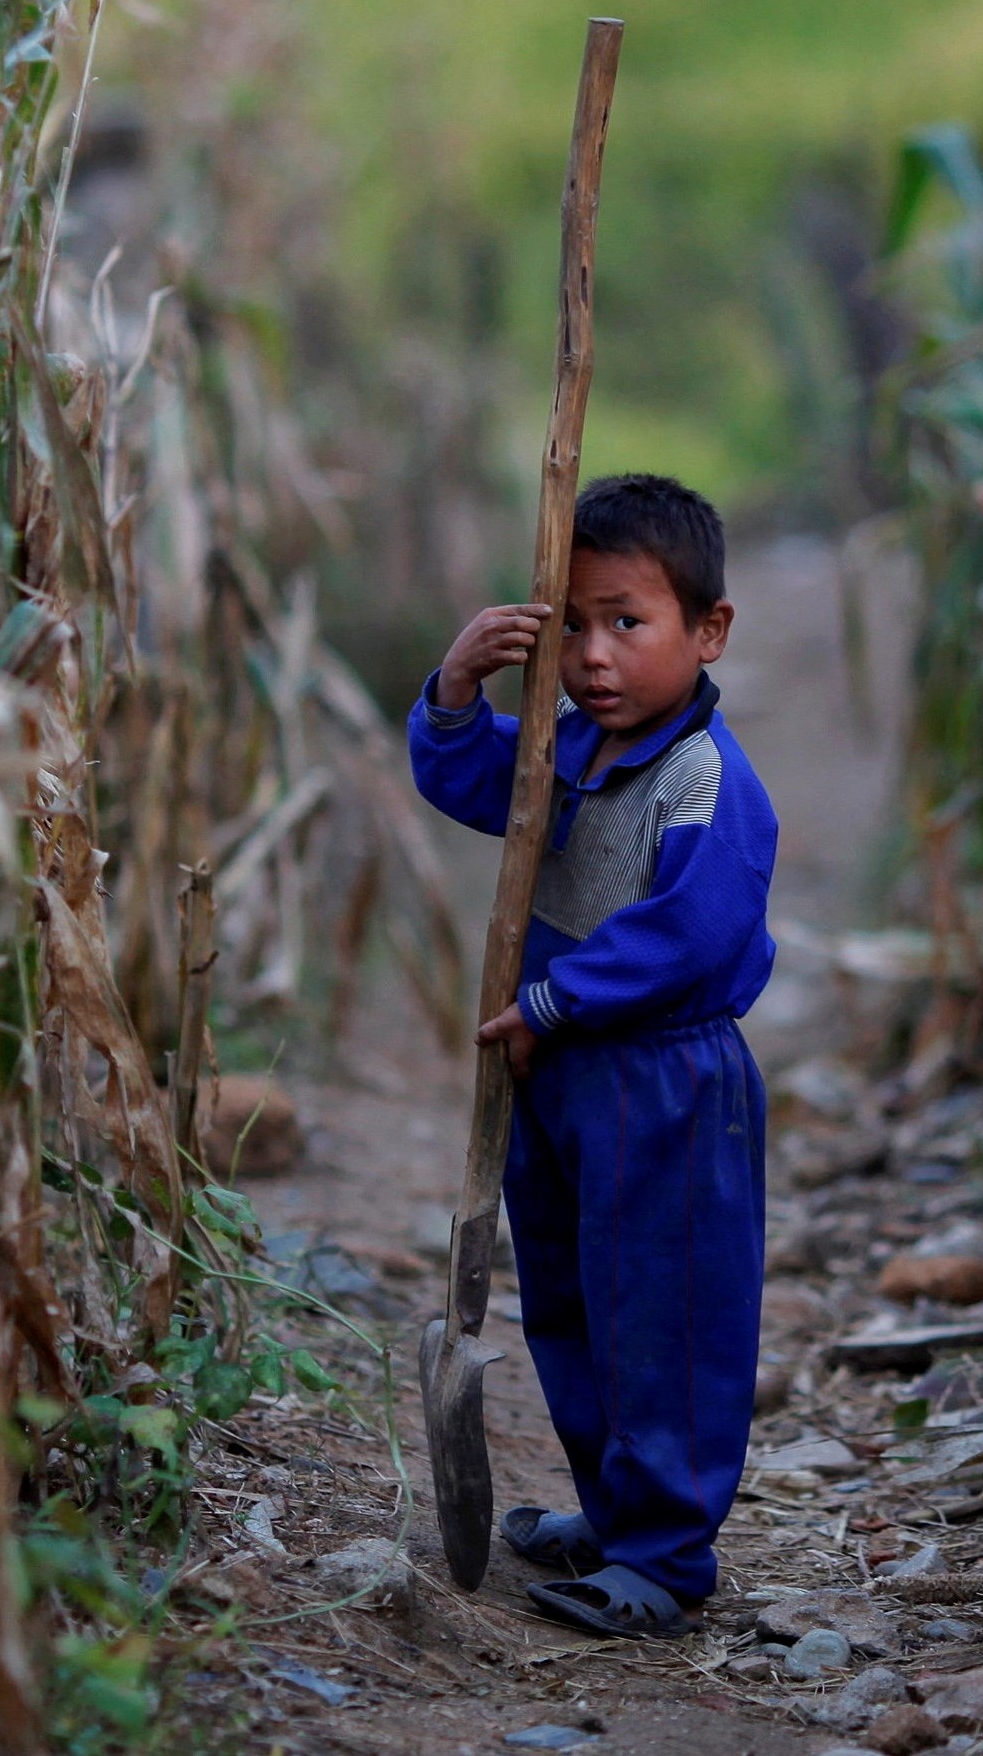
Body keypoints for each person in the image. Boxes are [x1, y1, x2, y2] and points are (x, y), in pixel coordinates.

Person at [406, 472, 778, 1640]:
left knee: (662, 1312)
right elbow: (480, 787)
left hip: (663, 1080)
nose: (593, 653)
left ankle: (667, 1555)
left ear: (707, 630)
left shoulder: (705, 780)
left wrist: (556, 1001)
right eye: (569, 625)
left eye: (627, 621)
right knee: (575, 1303)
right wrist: (461, 686)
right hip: (561, 1077)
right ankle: (615, 1517)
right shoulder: (565, 754)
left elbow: (688, 934)